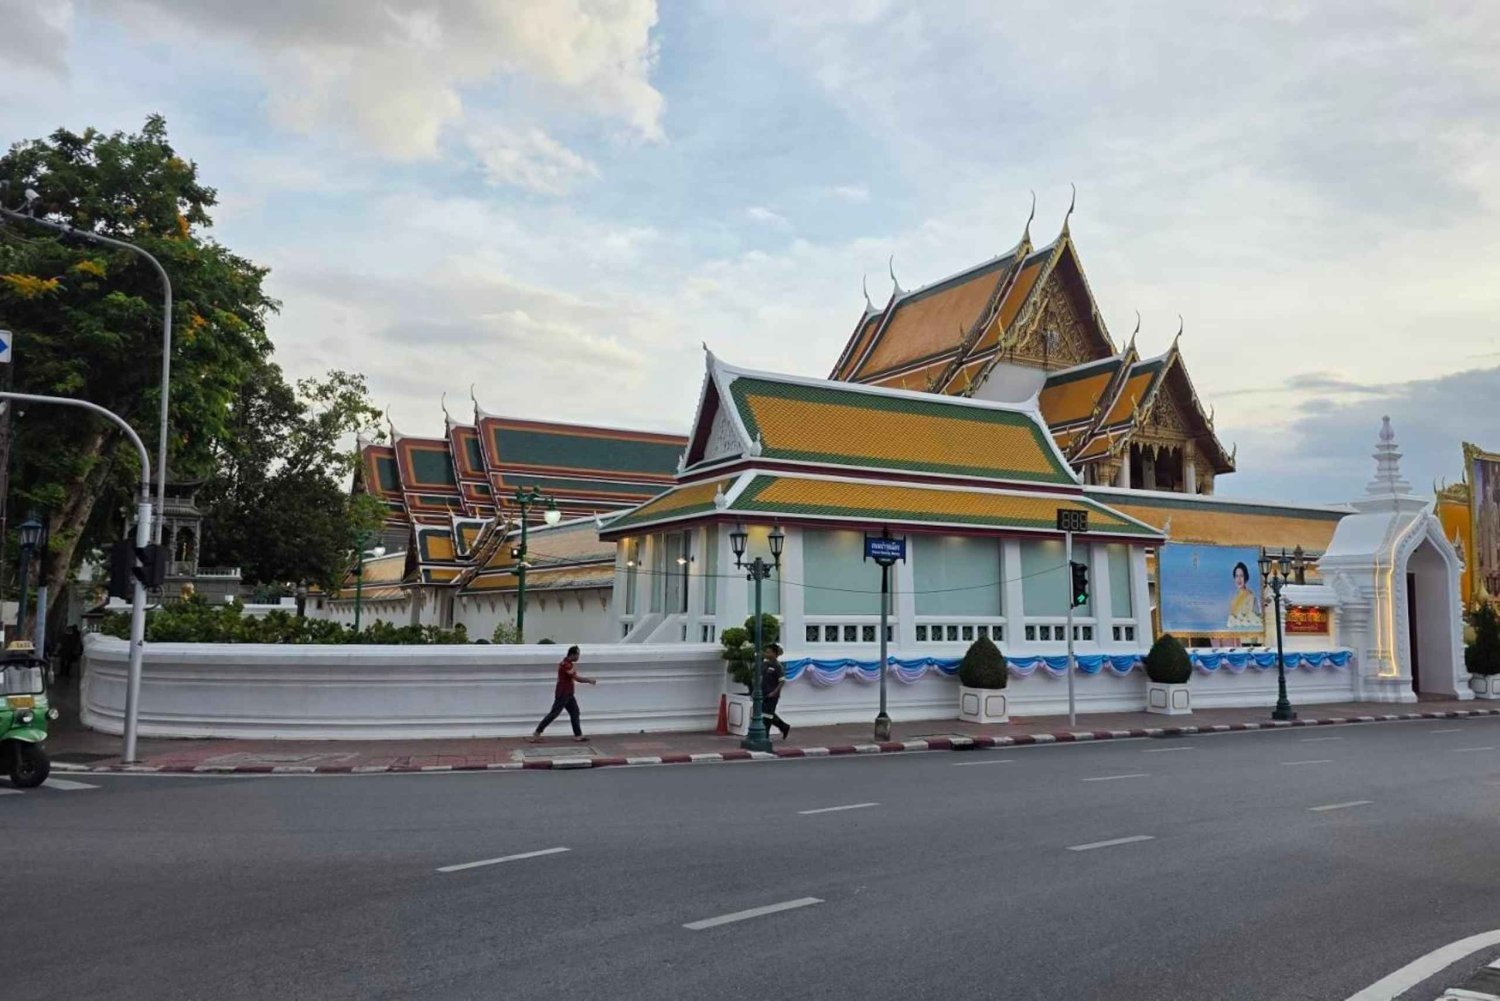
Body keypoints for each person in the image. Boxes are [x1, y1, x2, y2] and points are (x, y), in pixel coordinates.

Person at [528, 645, 595, 742]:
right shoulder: (565, 665)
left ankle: (578, 735)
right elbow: (577, 678)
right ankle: (537, 733)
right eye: (577, 655)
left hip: (569, 694)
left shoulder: (568, 664)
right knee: (554, 713)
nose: (578, 657)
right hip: (563, 694)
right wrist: (589, 680)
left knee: (575, 712)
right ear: (572, 655)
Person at [760, 642, 791, 740]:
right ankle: (784, 726)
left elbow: (782, 681)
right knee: (764, 713)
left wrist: (774, 692)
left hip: (772, 695)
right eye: (766, 652)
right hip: (763, 693)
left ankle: (765, 736)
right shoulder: (765, 664)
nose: (766, 654)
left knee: (768, 716)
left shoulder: (778, 666)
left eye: (768, 652)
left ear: (774, 653)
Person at [1226, 561, 1262, 631]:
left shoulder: (1251, 597)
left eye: (1241, 576)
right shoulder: (1234, 597)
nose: (1239, 579)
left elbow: (1255, 620)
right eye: (1236, 576)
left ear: (1245, 577)